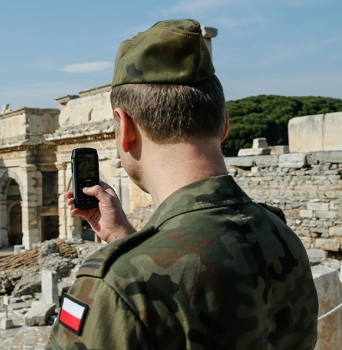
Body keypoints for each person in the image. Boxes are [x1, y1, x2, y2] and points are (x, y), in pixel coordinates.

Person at [47, 19, 319, 349]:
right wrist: (125, 241)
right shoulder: (281, 235)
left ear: (125, 129)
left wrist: (128, 260)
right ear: (225, 124)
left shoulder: (117, 285)